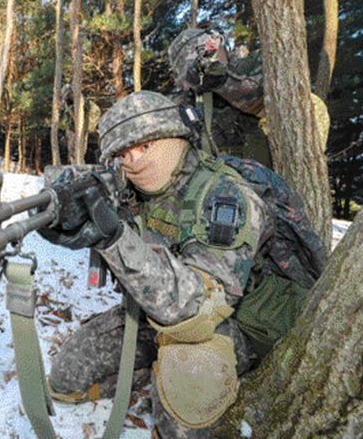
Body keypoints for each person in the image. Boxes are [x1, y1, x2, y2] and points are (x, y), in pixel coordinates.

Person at [39, 90, 321, 437]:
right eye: (124, 154)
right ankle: (154, 367)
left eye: (147, 145)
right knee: (67, 377)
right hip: (159, 309)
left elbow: (200, 307)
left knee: (184, 394)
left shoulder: (226, 196)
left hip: (240, 319)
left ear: (178, 136)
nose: (136, 160)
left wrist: (114, 238)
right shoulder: (133, 193)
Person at [167, 26, 330, 167]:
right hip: (226, 187)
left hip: (274, 171)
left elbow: (272, 97)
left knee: (312, 105)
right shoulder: (188, 102)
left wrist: (221, 82)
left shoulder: (253, 63)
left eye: (210, 54)